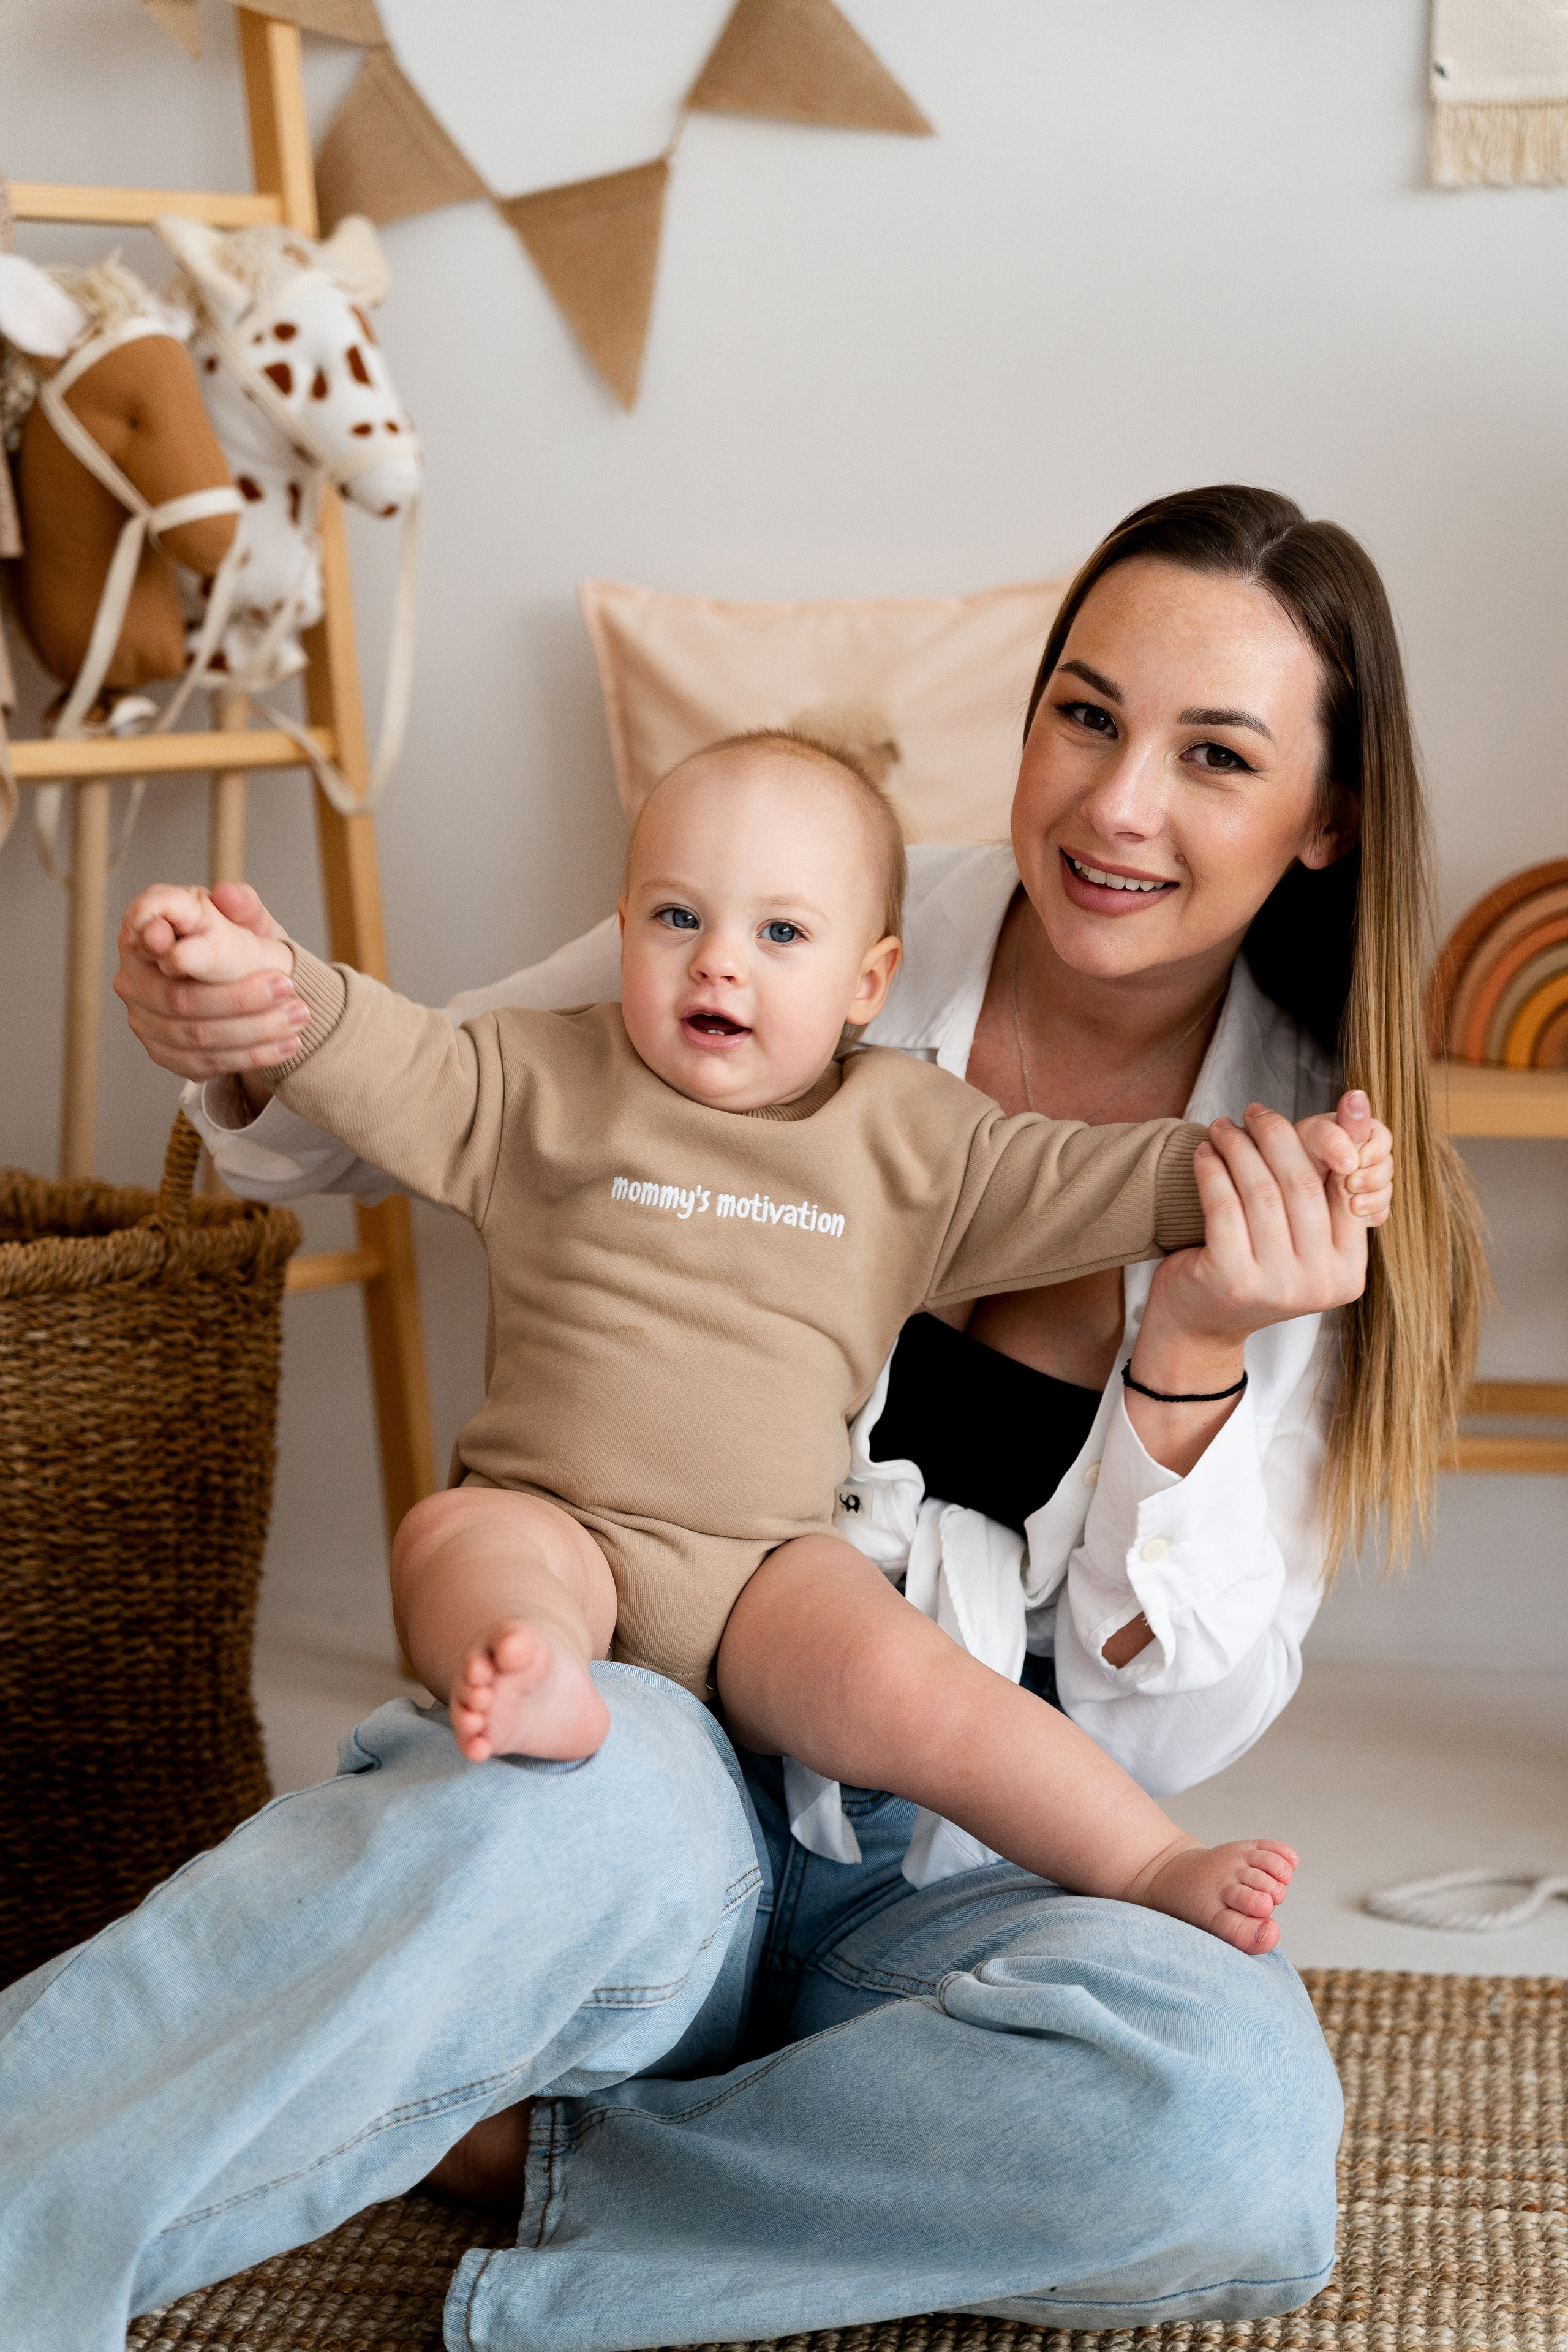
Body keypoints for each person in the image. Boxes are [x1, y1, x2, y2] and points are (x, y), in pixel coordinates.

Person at [2, 488, 1480, 2352]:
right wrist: (240, 1015)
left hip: (952, 1880)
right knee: (543, 1809)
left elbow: (1157, 1728)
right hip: (643, 1756)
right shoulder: (804, 906)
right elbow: (443, 1087)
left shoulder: (1296, 1167)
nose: (1118, 806)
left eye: (1215, 757)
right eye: (1087, 716)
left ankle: (537, 2153)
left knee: (1234, 2126)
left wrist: (1189, 1349)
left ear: (1325, 820)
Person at [124, 730, 1390, 1956]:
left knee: (928, 1695)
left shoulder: (911, 1140)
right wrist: (262, 990)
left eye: (778, 935)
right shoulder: (534, 1081)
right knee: (453, 1544)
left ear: (866, 984)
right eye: (677, 919)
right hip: (555, 1518)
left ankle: (1143, 1862)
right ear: (620, 931)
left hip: (771, 1571)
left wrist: (1280, 1166)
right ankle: (543, 1683)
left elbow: (1090, 1180)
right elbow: (382, 1052)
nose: (716, 965)